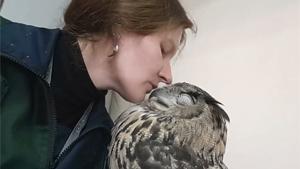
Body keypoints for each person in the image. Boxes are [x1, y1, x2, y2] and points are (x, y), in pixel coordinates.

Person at [0, 0, 195, 168]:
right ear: (121, 25)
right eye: (163, 49)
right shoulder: (6, 53)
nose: (168, 76)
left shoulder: (104, 145)